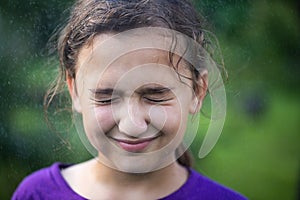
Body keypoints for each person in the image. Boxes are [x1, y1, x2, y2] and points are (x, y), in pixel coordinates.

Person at [12, 0, 247, 199]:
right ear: (74, 91)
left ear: (197, 91)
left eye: (154, 96)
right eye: (105, 98)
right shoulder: (37, 194)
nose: (132, 125)